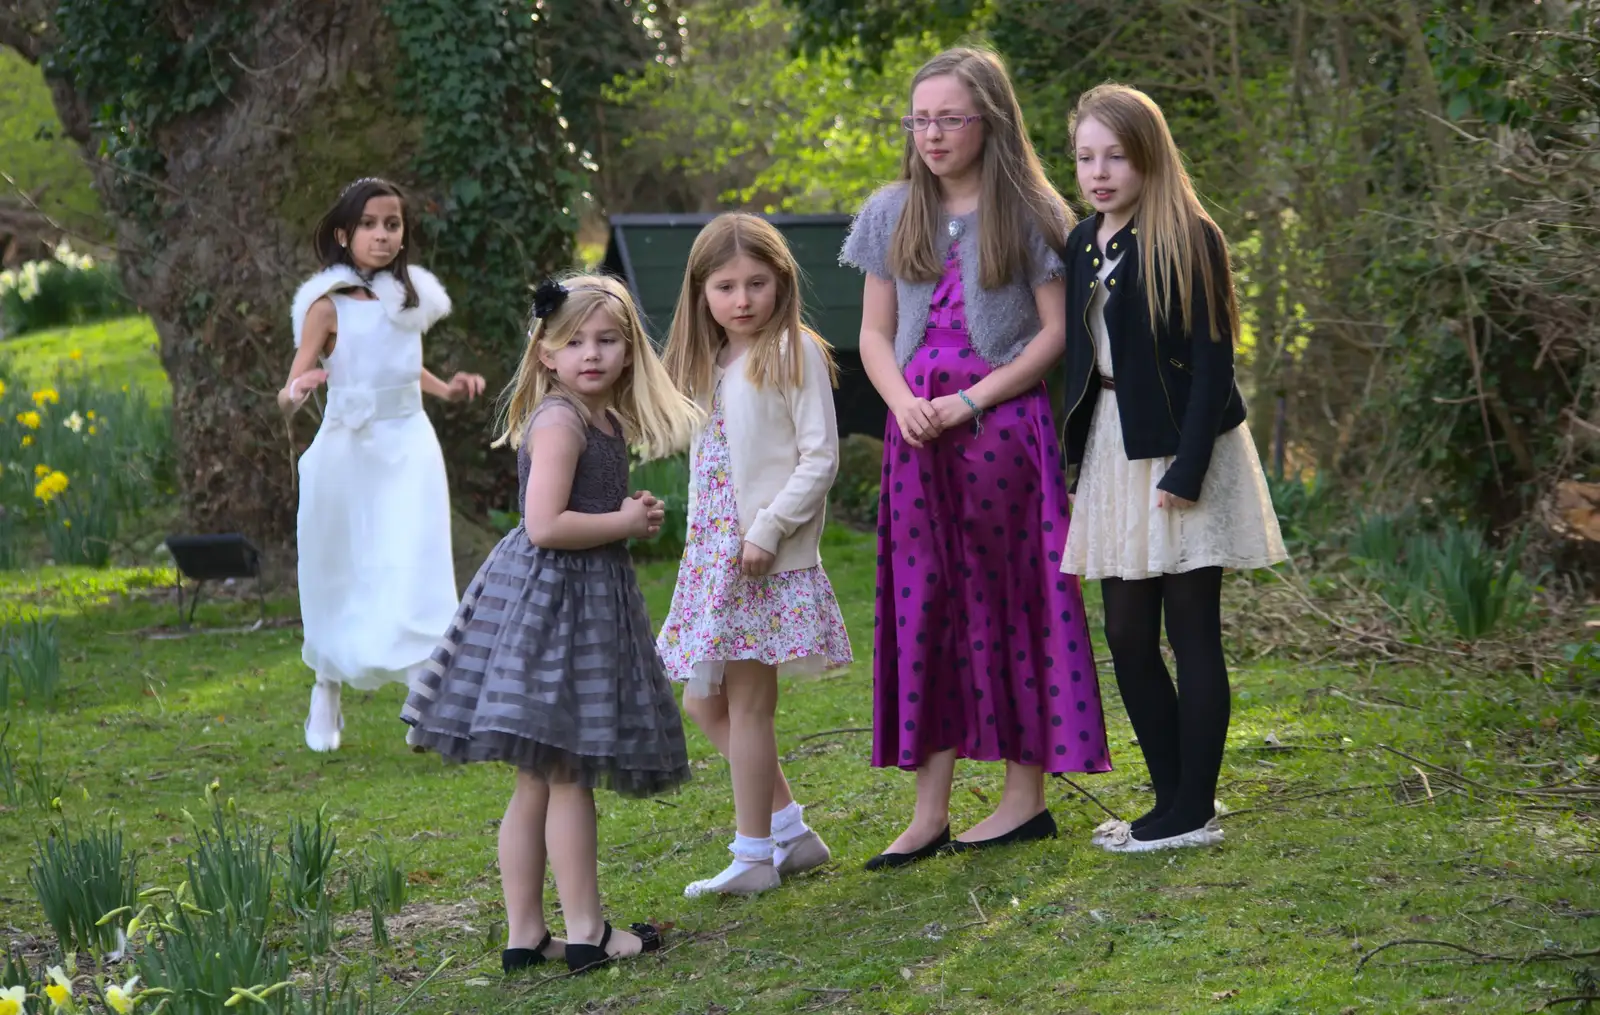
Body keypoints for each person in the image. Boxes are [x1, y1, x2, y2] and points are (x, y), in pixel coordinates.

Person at [840, 48, 1111, 871]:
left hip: (1002, 437)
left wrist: (972, 399)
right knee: (926, 609)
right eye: (919, 118)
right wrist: (902, 405)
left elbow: (1057, 335)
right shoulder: (891, 214)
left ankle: (1025, 800)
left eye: (948, 117)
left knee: (1014, 599)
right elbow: (875, 335)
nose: (931, 133)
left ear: (987, 118)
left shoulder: (1031, 211)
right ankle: (928, 813)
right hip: (916, 441)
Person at [401, 275, 702, 973]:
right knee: (567, 773)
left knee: (537, 778)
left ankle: (527, 934)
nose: (591, 353)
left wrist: (625, 511)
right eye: (574, 341)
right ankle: (588, 930)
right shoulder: (562, 420)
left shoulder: (600, 420)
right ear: (546, 353)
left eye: (607, 340)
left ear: (630, 351)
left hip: (577, 598)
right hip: (555, 605)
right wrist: (624, 520)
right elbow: (544, 525)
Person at [1059, 84, 1287, 853]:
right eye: (1087, 156)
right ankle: (1170, 797)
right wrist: (1071, 458)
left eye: (1115, 155)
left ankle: (1193, 807)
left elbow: (1217, 367)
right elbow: (1079, 360)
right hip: (1113, 450)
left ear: (1148, 155)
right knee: (1125, 632)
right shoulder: (1083, 241)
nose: (1099, 171)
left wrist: (1187, 470)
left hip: (1188, 448)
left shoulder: (1191, 236)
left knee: (1192, 631)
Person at [657, 213, 853, 897]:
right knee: (704, 702)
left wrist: (768, 529)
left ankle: (753, 856)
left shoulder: (792, 351)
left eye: (756, 283)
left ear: (781, 283)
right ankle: (791, 833)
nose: (742, 300)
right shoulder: (711, 362)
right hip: (716, 556)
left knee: (745, 705)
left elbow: (819, 458)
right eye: (725, 286)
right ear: (700, 293)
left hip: (760, 557)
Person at [280, 177, 485, 753]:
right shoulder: (328, 307)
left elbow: (401, 366)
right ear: (344, 235)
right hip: (349, 449)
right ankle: (327, 680)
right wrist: (299, 390)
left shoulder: (409, 299)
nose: (381, 234)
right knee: (342, 564)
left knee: (414, 562)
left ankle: (425, 694)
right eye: (369, 224)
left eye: (391, 224)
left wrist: (446, 391)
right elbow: (290, 385)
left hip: (409, 447)